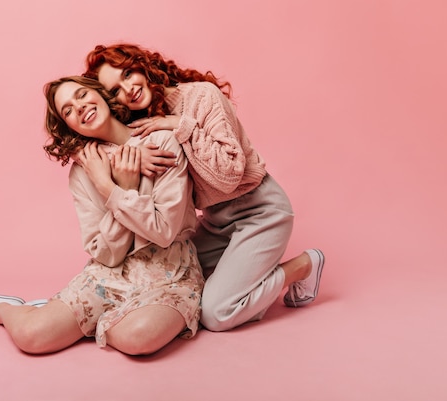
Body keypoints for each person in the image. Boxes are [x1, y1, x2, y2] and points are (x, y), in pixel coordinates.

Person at [0, 76, 204, 356]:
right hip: (109, 274)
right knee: (32, 337)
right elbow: (106, 255)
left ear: (102, 95)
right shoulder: (83, 171)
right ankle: (3, 309)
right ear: (68, 125)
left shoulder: (162, 142)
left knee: (137, 338)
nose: (79, 107)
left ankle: (92, 322)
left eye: (82, 95)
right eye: (68, 110)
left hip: (171, 273)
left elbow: (164, 232)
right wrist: (118, 183)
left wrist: (110, 188)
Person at [83, 43, 325, 332]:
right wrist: (127, 157)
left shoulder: (200, 95)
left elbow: (228, 175)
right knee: (169, 273)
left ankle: (301, 266)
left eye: (127, 74)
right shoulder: (140, 120)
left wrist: (178, 125)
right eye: (115, 91)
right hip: (215, 222)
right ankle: (248, 275)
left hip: (261, 211)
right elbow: (88, 132)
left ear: (142, 65)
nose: (128, 89)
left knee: (216, 312)